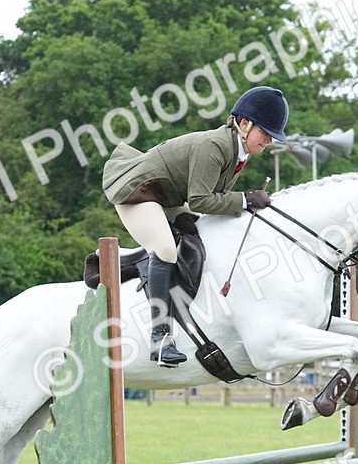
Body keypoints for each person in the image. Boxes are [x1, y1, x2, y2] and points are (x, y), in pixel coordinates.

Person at [102, 86, 288, 366]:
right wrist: (246, 199)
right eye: (266, 133)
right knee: (166, 250)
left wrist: (244, 202)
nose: (270, 140)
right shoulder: (216, 145)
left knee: (205, 231)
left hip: (166, 197)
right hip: (137, 192)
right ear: (244, 123)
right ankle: (160, 340)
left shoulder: (238, 151)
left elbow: (211, 200)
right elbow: (201, 199)